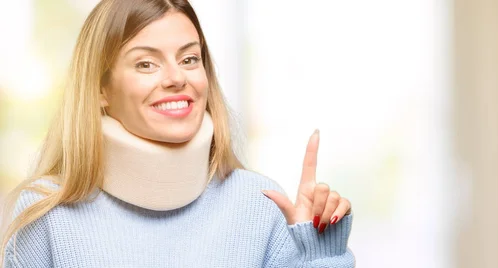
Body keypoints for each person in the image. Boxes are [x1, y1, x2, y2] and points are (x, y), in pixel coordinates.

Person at [0, 0, 354, 267]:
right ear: (100, 88)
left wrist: (320, 252)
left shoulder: (261, 205)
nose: (176, 78)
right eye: (146, 64)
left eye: (189, 59)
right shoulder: (47, 212)